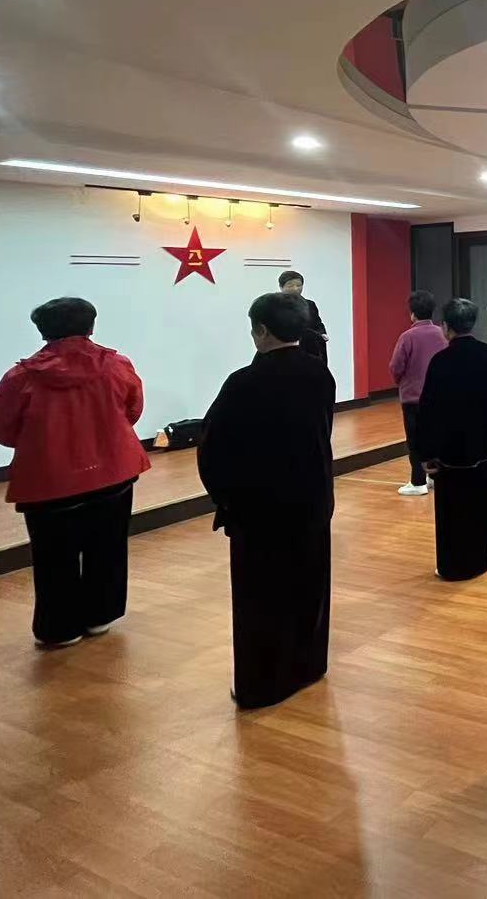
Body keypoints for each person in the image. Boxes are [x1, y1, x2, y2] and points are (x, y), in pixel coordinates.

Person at [0, 297, 149, 648]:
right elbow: (132, 409)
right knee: (108, 548)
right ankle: (100, 615)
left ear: (43, 331)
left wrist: (40, 443)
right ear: (91, 326)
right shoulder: (117, 365)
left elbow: (0, 428)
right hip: (113, 472)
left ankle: (59, 628)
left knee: (53, 557)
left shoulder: (20, 378)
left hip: (50, 481)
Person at [198, 292, 335, 710]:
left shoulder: (243, 383)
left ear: (260, 331)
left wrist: (226, 500)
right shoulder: (320, 374)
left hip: (260, 510)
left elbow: (212, 450)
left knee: (261, 598)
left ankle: (263, 684)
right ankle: (308, 666)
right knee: (309, 585)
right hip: (312, 499)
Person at [415, 298, 487, 580]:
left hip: (449, 452)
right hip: (482, 448)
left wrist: (425, 453)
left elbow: (428, 410)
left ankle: (451, 565)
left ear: (446, 327)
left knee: (451, 510)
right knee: (481, 506)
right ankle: (479, 561)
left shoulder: (440, 361)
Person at [389, 289, 445, 496]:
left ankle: (418, 481)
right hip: (438, 397)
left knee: (415, 441)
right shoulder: (442, 333)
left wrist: (401, 382)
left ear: (412, 313)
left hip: (413, 397)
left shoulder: (407, 337)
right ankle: (434, 477)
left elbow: (396, 366)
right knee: (436, 437)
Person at [278, 270, 328, 362]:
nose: (295, 288)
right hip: (286, 349)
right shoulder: (275, 306)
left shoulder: (310, 304)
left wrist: (322, 334)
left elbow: (318, 323)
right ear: (281, 287)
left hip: (310, 348)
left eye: (298, 285)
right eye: (290, 286)